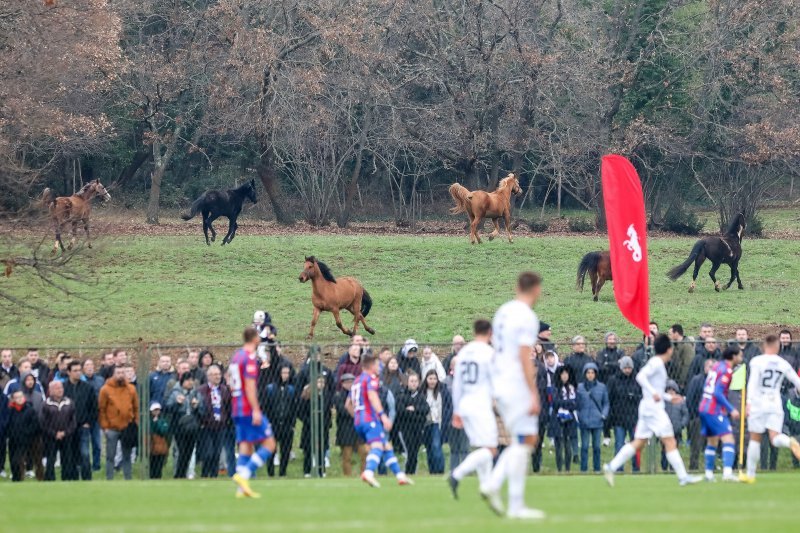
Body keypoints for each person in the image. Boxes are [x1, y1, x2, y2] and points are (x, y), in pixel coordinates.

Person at [482, 271, 545, 520]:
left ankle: (515, 504)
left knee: (523, 441)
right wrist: (533, 393)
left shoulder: (503, 311)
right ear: (537, 289)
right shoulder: (527, 317)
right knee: (527, 440)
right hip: (516, 384)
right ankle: (495, 485)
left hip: (499, 383)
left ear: (517, 286)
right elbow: (524, 356)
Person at [604, 334, 702, 487]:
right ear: (668, 349)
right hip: (653, 410)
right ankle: (683, 477)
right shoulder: (656, 362)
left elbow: (654, 388)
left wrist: (669, 398)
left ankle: (611, 467)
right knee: (670, 441)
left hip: (649, 407)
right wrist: (653, 393)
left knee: (638, 443)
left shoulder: (659, 364)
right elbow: (640, 377)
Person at [448, 319, 498, 498]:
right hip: (480, 404)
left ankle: (486, 486)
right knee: (491, 449)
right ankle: (456, 474)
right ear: (490, 333)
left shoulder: (464, 353)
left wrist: (456, 410)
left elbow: (457, 384)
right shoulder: (489, 353)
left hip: (465, 404)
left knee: (484, 446)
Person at [347, 352, 412, 487]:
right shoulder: (369, 379)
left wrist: (358, 416)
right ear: (371, 365)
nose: (379, 367)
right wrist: (382, 415)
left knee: (386, 446)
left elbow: (348, 404)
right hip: (370, 418)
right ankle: (369, 473)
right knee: (377, 446)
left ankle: (400, 476)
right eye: (377, 364)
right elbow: (372, 396)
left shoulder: (356, 381)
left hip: (359, 420)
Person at [742, 334, 800, 483]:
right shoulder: (783, 363)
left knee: (755, 439)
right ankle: (790, 442)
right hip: (775, 403)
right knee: (774, 437)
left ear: (764, 346)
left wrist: (748, 402)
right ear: (777, 346)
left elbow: (752, 383)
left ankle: (750, 475)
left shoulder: (757, 361)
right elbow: (797, 382)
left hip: (759, 403)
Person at [230, 327, 277, 498]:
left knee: (246, 445)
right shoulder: (249, 358)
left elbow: (231, 381)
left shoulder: (236, 356)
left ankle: (241, 490)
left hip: (236, 407)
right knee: (270, 444)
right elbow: (250, 387)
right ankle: (244, 475)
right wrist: (256, 410)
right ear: (255, 338)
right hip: (247, 407)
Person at [698, 347, 743, 482]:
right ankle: (728, 473)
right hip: (714, 410)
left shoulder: (717, 365)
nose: (741, 358)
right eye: (740, 356)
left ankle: (709, 474)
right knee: (728, 439)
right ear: (733, 356)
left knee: (712, 441)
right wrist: (731, 409)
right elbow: (717, 392)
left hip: (704, 407)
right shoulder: (727, 371)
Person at [98, 365, 139, 481]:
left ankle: (128, 479)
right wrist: (105, 427)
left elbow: (136, 407)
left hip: (127, 427)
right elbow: (101, 409)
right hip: (111, 428)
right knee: (110, 456)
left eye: (123, 373)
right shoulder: (105, 389)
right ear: (113, 374)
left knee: (127, 456)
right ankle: (109, 479)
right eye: (118, 373)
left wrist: (135, 423)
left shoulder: (131, 389)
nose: (121, 375)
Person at [63, 360, 97, 481]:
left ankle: (87, 479)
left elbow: (94, 407)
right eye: (75, 371)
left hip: (83, 426)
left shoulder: (88, 388)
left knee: (85, 454)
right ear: (68, 372)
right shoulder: (63, 388)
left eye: (79, 370)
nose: (78, 373)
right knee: (70, 454)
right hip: (67, 428)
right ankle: (72, 479)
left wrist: (89, 422)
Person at [607, 356, 641, 472]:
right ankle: (618, 468)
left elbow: (642, 396)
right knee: (619, 444)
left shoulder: (637, 380)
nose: (627, 370)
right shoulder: (613, 380)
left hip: (633, 417)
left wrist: (634, 396)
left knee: (635, 445)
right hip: (618, 418)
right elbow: (609, 398)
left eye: (629, 368)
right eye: (625, 368)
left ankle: (636, 468)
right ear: (621, 368)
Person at [262, 365, 297, 477]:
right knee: (271, 450)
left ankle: (283, 472)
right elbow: (265, 406)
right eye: (283, 373)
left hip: (287, 425)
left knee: (285, 451)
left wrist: (292, 424)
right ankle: (270, 473)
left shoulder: (291, 390)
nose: (285, 375)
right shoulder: (270, 389)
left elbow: (294, 408)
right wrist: (268, 422)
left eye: (287, 373)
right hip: (273, 424)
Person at [198, 364, 230, 478]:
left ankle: (214, 476)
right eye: (215, 374)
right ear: (209, 376)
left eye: (219, 374)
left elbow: (227, 407)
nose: (218, 377)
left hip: (220, 426)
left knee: (217, 453)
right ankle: (205, 475)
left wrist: (226, 420)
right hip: (206, 426)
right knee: (208, 453)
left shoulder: (224, 390)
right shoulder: (202, 390)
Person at [168, 373, 203, 479]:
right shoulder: (175, 393)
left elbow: (202, 409)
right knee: (182, 451)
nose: (190, 382)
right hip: (179, 426)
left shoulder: (195, 393)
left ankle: (184, 473)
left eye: (192, 380)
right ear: (182, 381)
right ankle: (179, 474)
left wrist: (196, 406)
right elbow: (168, 408)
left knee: (189, 451)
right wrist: (177, 403)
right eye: (188, 380)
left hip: (192, 426)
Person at [40, 380, 77, 481]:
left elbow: (73, 421)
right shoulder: (45, 404)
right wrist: (54, 433)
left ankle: (67, 479)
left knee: (67, 459)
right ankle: (50, 479)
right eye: (57, 388)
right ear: (51, 390)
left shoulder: (69, 402)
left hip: (66, 436)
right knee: (50, 459)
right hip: (51, 437)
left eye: (61, 387)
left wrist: (65, 432)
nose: (60, 390)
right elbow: (43, 423)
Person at [577, 362, 609, 473]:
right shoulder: (580, 388)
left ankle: (597, 469)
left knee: (597, 447)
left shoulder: (602, 387)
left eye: (592, 372)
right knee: (584, 447)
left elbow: (606, 403)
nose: (590, 375)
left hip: (597, 420)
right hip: (584, 421)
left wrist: (603, 414)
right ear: (585, 374)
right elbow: (577, 403)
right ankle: (583, 469)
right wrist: (579, 416)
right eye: (588, 372)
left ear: (596, 374)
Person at [395, 371, 428, 475]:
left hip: (417, 429)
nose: (413, 383)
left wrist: (414, 408)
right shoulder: (401, 395)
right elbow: (401, 412)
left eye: (415, 381)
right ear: (407, 382)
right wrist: (418, 414)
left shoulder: (421, 396)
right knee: (409, 452)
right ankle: (405, 473)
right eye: (411, 381)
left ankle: (412, 473)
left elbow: (426, 409)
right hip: (405, 429)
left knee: (414, 453)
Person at [299, 375, 332, 478]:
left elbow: (328, 411)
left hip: (323, 427)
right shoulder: (307, 394)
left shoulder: (326, 394)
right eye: (319, 382)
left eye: (323, 382)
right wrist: (309, 421)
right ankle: (307, 471)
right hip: (309, 427)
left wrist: (327, 423)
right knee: (308, 450)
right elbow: (300, 412)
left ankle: (321, 471)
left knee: (322, 449)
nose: (321, 384)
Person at [334, 373, 364, 477]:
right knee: (347, 456)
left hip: (359, 428)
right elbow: (343, 411)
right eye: (347, 382)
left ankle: (364, 475)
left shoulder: (359, 394)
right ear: (342, 384)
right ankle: (348, 477)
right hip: (345, 429)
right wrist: (357, 413)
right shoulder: (338, 396)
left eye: (352, 382)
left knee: (364, 454)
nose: (350, 384)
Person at [686, 358, 714, 470]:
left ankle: (711, 466)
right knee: (696, 446)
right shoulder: (697, 380)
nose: (711, 370)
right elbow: (690, 399)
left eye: (714, 367)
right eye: (709, 367)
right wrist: (696, 415)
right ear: (705, 368)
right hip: (698, 418)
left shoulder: (718, 382)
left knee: (712, 444)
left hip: (713, 418)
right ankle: (694, 467)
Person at [6, 390, 39, 482]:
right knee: (12, 460)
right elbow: (7, 424)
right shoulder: (11, 411)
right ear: (13, 399)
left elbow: (35, 425)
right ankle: (16, 479)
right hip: (13, 440)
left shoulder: (30, 410)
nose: (20, 399)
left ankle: (19, 477)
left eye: (21, 396)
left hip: (25, 440)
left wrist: (26, 433)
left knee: (18, 460)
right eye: (17, 397)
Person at [423, 369, 451, 475]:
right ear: (426, 379)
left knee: (436, 446)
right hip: (425, 424)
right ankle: (432, 471)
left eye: (435, 378)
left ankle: (440, 470)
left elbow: (449, 406)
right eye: (430, 378)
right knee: (429, 448)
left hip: (437, 423)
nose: (432, 381)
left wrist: (446, 418)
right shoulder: (423, 391)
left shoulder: (442, 390)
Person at [550, 366, 578, 472]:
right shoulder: (554, 387)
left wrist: (567, 404)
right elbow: (555, 403)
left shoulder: (572, 387)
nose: (565, 376)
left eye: (566, 373)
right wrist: (569, 403)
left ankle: (567, 469)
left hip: (570, 418)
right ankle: (559, 469)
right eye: (562, 374)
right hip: (556, 418)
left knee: (568, 444)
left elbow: (576, 404)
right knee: (558, 444)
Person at [661, 380, 688, 471]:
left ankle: (673, 468)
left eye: (673, 390)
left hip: (676, 429)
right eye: (669, 390)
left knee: (674, 449)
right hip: (665, 430)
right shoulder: (663, 402)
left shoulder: (680, 402)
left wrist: (682, 424)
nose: (671, 392)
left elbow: (685, 414)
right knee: (664, 450)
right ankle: (664, 467)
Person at [82, 358, 104, 471]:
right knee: (84, 443)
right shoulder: (81, 381)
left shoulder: (100, 380)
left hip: (97, 416)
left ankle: (96, 465)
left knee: (97, 443)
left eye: (91, 364)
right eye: (87, 365)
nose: (90, 367)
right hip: (84, 417)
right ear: (83, 368)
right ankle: (84, 465)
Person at [149, 402, 169, 479]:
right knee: (152, 466)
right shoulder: (149, 421)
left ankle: (158, 477)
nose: (156, 411)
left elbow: (163, 431)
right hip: (151, 446)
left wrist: (157, 422)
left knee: (158, 466)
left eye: (158, 410)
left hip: (160, 445)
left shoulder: (163, 420)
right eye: (154, 410)